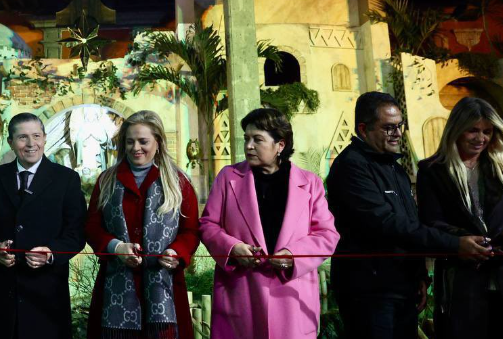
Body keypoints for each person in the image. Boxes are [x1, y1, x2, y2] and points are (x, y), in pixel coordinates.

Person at [326, 92, 491, 339]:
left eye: (400, 126)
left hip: (401, 286)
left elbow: (411, 222)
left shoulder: (393, 167)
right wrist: (454, 244)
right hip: (370, 291)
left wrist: (420, 277)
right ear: (363, 128)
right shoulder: (351, 166)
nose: (397, 133)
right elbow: (387, 224)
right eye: (388, 127)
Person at [200, 107, 339, 339]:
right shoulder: (228, 177)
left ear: (280, 146)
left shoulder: (310, 183)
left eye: (257, 139)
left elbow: (327, 234)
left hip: (292, 296)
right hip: (241, 294)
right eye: (246, 139)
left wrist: (293, 255)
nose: (248, 146)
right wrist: (233, 248)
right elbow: (208, 224)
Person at [85, 110, 200, 339]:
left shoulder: (179, 182)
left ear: (158, 142)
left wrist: (175, 251)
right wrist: (115, 247)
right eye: (129, 141)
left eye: (143, 141)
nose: (136, 147)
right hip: (114, 286)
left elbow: (191, 230)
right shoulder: (107, 179)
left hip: (165, 288)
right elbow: (92, 227)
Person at [0, 112, 87, 339]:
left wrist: (51, 253)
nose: (31, 143)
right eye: (23, 137)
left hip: (47, 296)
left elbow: (76, 232)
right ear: (11, 143)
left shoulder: (67, 179)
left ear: (44, 138)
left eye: (36, 136)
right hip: (0, 295)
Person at [416, 97, 503, 339]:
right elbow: (430, 222)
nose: (481, 138)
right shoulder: (431, 170)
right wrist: (464, 241)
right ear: (456, 129)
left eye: (487, 131)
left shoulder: (500, 166)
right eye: (472, 130)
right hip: (461, 277)